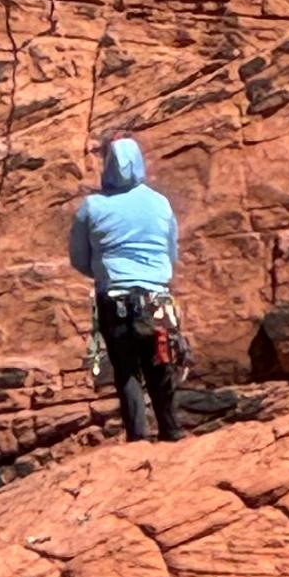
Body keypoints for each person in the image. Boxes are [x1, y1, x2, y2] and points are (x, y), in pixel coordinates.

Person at [70, 135, 181, 443]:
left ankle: (138, 438)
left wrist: (106, 275)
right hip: (156, 298)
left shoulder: (91, 207)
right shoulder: (160, 203)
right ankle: (172, 433)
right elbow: (171, 252)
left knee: (126, 369)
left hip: (115, 299)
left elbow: (79, 258)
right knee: (161, 365)